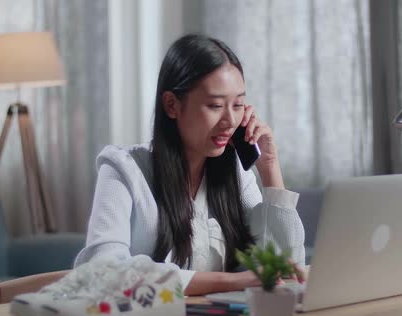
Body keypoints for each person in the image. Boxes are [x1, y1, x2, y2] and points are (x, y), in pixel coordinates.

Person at [75, 34, 305, 296]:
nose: (231, 120)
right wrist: (231, 282)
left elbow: (285, 266)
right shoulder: (123, 169)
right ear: (172, 105)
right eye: (216, 105)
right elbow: (104, 270)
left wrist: (269, 166)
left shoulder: (236, 173)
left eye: (239, 104)